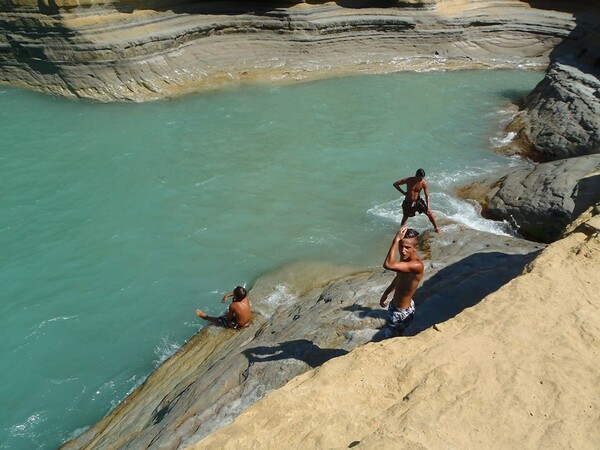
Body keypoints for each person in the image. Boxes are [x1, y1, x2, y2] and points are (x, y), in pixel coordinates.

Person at [379, 226, 424, 338]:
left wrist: (396, 240)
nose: (403, 251)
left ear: (415, 248)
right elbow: (399, 277)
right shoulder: (405, 260)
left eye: (407, 247)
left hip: (401, 312)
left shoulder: (416, 265)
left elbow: (388, 264)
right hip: (395, 306)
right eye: (401, 246)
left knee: (390, 338)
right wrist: (386, 293)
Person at [393, 168, 441, 234]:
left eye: (422, 178)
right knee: (405, 217)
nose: (421, 180)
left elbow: (427, 195)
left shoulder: (423, 183)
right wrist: (404, 193)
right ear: (416, 176)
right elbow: (395, 184)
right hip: (408, 202)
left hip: (418, 201)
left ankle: (437, 228)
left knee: (429, 213)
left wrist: (428, 206)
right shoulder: (408, 180)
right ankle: (401, 232)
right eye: (420, 178)